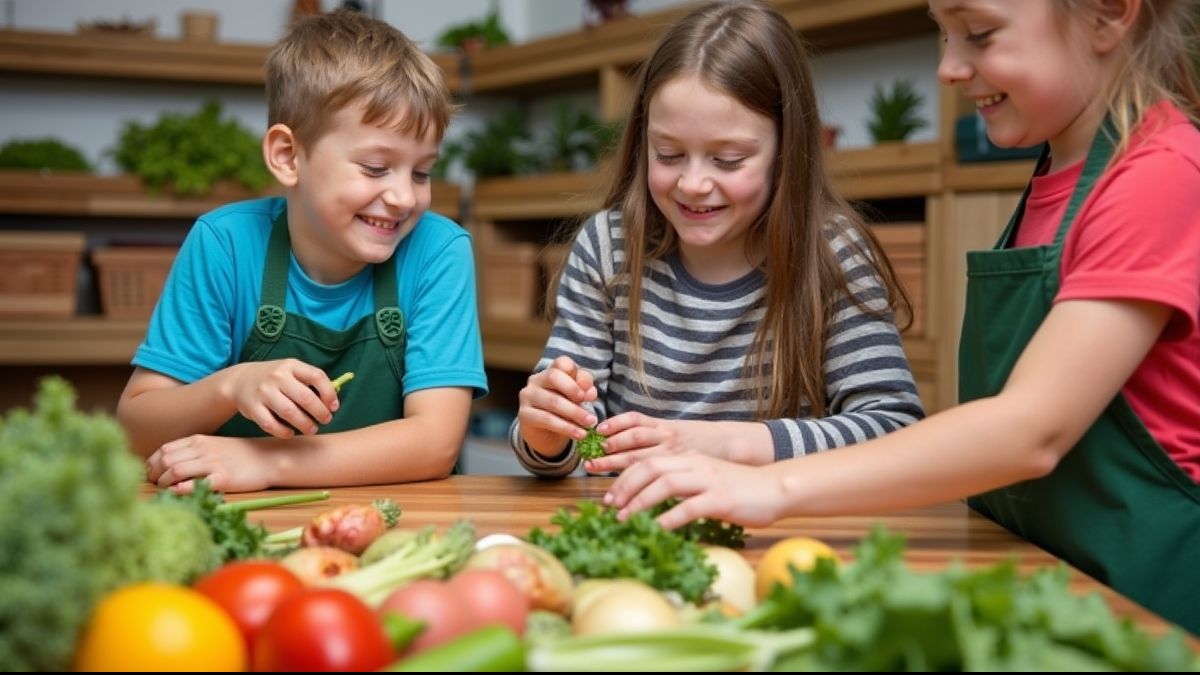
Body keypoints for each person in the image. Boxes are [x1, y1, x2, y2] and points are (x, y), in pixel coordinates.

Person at [607, 0, 1200, 634]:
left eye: (978, 34)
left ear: (1109, 14)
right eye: (943, 35)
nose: (948, 66)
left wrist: (769, 486)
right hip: (1049, 582)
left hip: (1145, 601)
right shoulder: (1059, 172)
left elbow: (1032, 430)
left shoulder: (1160, 176)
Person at [510, 0, 924, 479]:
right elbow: (583, 440)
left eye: (727, 160)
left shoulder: (832, 253)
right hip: (633, 523)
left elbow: (893, 429)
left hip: (783, 533)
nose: (693, 184)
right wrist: (549, 436)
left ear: (786, 152)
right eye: (668, 154)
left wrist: (727, 443)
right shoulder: (608, 246)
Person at [118, 9, 487, 494]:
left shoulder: (438, 250)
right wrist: (232, 385)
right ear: (288, 156)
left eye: (421, 172)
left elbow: (435, 443)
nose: (403, 196)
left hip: (396, 523)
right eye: (376, 168)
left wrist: (265, 462)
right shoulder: (225, 244)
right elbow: (133, 429)